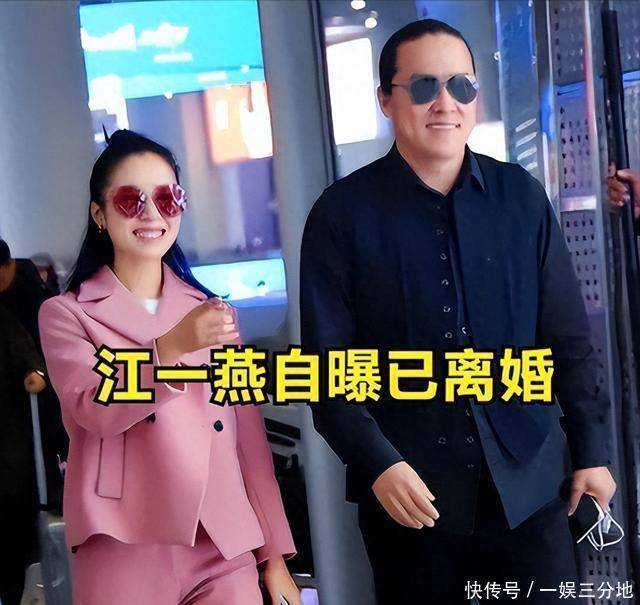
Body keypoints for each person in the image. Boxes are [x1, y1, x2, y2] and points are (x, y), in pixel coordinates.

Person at [300, 19, 616, 604]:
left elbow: (567, 339)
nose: (445, 103)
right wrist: (377, 464)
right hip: (411, 498)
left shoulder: (521, 197)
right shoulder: (340, 215)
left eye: (462, 86)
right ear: (385, 100)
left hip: (531, 489)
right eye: (424, 87)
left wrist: (592, 450)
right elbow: (326, 371)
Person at [38, 130, 299, 605]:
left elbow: (247, 443)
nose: (152, 214)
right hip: (122, 539)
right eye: (130, 200)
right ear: (99, 214)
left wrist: (274, 556)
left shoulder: (210, 311)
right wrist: (172, 347)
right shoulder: (67, 314)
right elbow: (92, 405)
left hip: (222, 541)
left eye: (166, 197)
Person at [0, 306, 47, 605]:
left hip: (7, 450)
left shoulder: (4, 321)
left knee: (11, 545)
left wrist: (36, 374)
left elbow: (31, 364)